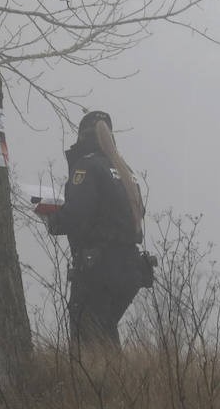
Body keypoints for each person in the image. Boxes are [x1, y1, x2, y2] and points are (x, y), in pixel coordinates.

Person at [42, 110, 149, 351]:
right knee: (105, 333)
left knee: (86, 338)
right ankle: (117, 385)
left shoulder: (87, 166)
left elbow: (78, 213)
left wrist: (52, 219)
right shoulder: (125, 171)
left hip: (99, 268)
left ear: (82, 137)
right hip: (130, 268)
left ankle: (95, 387)